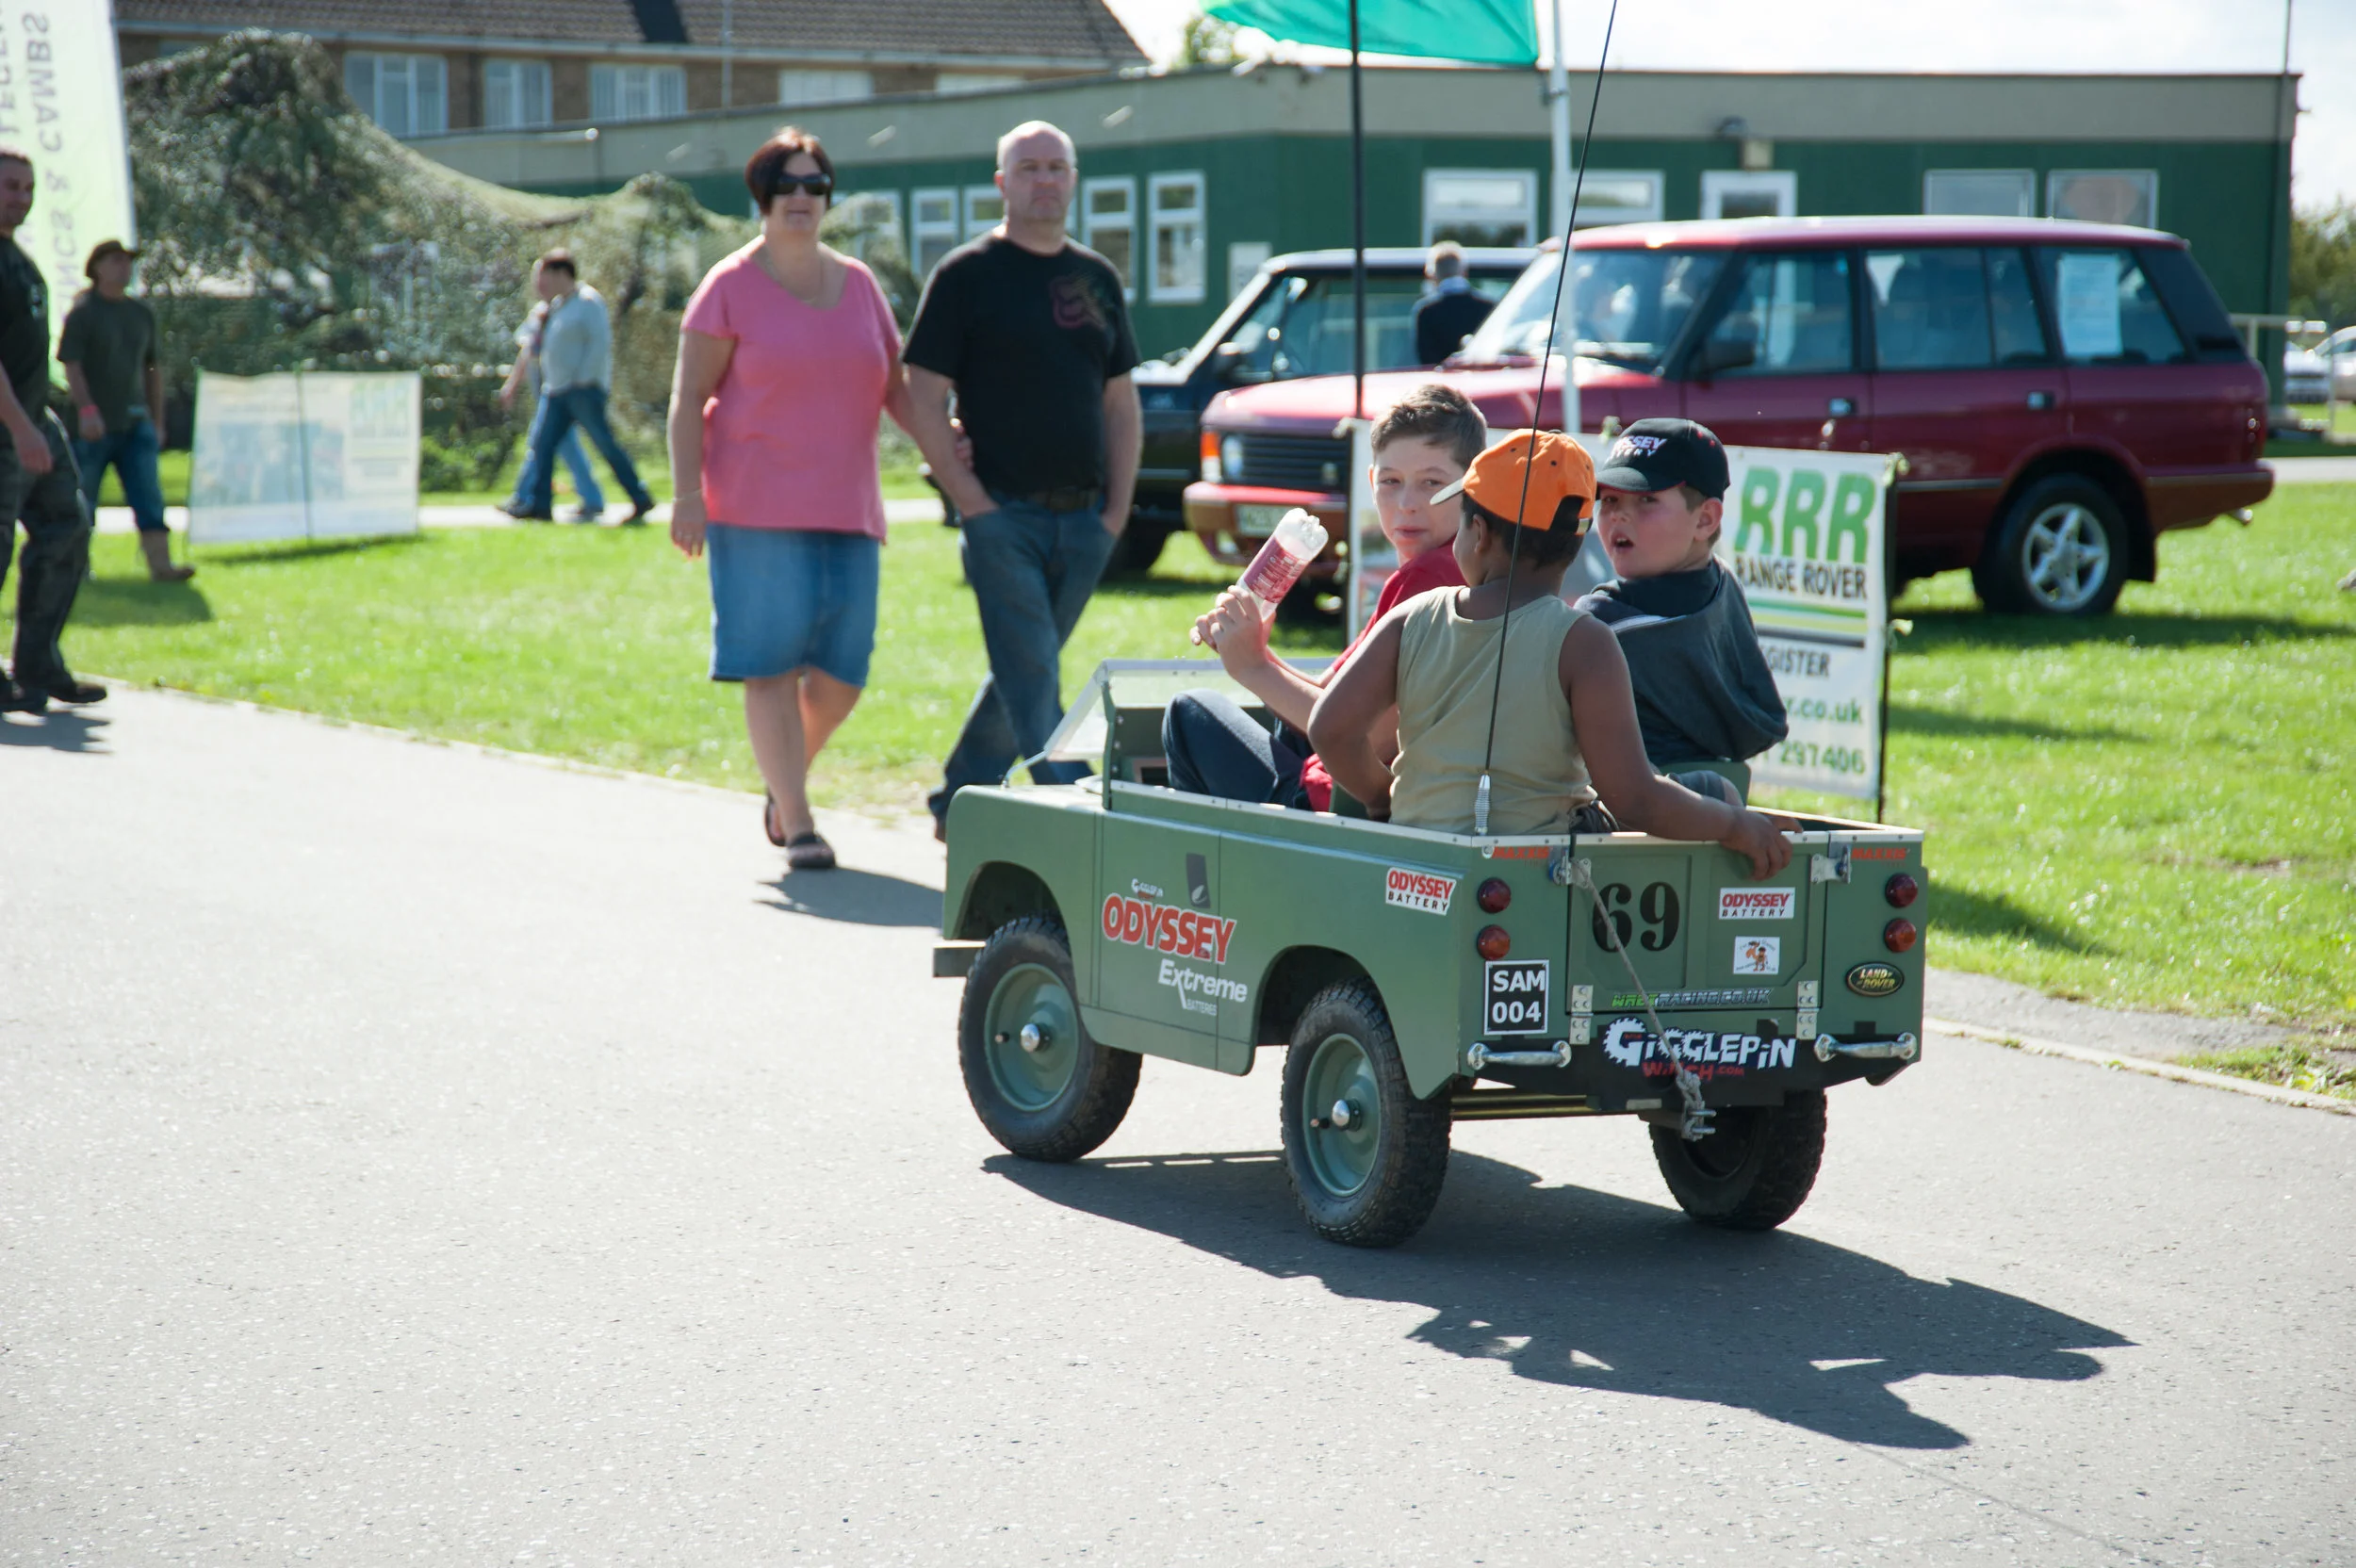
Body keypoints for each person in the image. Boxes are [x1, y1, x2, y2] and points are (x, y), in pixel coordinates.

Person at [1309, 429, 1790, 880]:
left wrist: (1382, 799)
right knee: (1714, 791)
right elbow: (1634, 799)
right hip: (1541, 871)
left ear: (1478, 532)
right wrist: (1734, 824)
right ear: (1577, 543)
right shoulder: (1585, 642)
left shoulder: (1410, 618)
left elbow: (1328, 728)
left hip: (1416, 853)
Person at [668, 127, 916, 871]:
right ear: (762, 197)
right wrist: (686, 494)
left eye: (815, 186)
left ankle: (782, 783)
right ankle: (799, 821)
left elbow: (898, 389)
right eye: (787, 186)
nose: (801, 197)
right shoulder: (729, 287)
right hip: (753, 509)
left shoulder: (860, 286)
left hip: (849, 508)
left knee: (843, 676)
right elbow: (688, 400)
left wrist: (950, 440)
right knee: (771, 667)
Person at [902, 120, 1141, 840]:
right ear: (1002, 183)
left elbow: (1120, 402)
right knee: (1034, 672)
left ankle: (956, 800)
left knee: (1023, 667)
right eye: (1029, 168)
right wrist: (971, 502)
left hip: (1087, 521)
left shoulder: (1096, 277)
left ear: (1073, 180)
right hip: (1002, 516)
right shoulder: (966, 275)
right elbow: (920, 395)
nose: (1045, 180)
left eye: (1056, 167)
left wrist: (1117, 512)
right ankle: (1079, 813)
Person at [1161, 384, 1482, 808]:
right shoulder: (1453, 568)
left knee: (1188, 711)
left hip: (1347, 808)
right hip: (1380, 797)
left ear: (1471, 487)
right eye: (1391, 481)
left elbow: (1361, 737)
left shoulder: (1432, 577)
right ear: (1371, 482)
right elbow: (1328, 696)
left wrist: (1253, 666)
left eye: (1431, 483)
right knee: (1283, 726)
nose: (1407, 503)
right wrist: (1254, 649)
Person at [1577, 417, 1787, 804]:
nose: (1619, 515)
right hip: (1720, 806)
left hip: (1632, 816)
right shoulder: (1724, 585)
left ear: (1705, 519)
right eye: (1610, 500)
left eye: (1646, 500)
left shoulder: (1600, 620)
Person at [0, 150, 103, 713]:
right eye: (9, 186)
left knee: (68, 526)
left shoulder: (18, 259)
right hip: (9, 427)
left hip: (35, 422)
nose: (21, 197)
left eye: (27, 187)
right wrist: (20, 426)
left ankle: (38, 664)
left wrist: (39, 420)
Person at [59, 238, 188, 582]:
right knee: (82, 499)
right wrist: (87, 409)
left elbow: (152, 369)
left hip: (136, 423)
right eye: (116, 261)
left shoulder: (141, 313)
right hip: (94, 427)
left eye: (128, 261)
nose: (124, 267)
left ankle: (161, 566)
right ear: (97, 268)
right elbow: (72, 364)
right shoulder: (84, 312)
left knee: (149, 496)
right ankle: (77, 568)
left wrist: (158, 421)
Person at [517, 250, 655, 526]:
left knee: (605, 444)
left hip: (582, 390)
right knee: (543, 445)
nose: (542, 283)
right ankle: (539, 505)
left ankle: (640, 497)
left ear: (561, 274)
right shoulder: (558, 306)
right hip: (556, 390)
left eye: (546, 276)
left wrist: (583, 379)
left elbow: (599, 344)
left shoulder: (588, 302)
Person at [496, 290, 604, 523]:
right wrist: (512, 385)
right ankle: (592, 498)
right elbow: (527, 352)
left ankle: (524, 496)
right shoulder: (541, 313)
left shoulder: (568, 312)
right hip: (548, 391)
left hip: (559, 391)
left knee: (540, 442)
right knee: (567, 446)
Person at [1412, 241, 1493, 367]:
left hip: (1442, 378)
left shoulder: (1426, 312)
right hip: (1481, 377)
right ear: (1464, 272)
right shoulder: (1488, 307)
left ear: (1432, 276)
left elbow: (1427, 362)